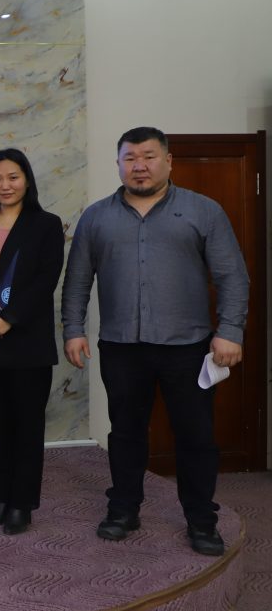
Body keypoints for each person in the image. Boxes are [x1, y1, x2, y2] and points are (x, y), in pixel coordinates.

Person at [62, 127, 248, 556]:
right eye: (130, 158)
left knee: (196, 436)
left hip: (188, 347)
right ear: (119, 164)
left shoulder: (204, 211)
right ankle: (123, 510)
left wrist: (230, 331)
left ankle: (201, 521)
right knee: (126, 433)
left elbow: (232, 276)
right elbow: (76, 281)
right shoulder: (96, 217)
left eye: (148, 156)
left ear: (168, 161)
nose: (139, 166)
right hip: (121, 347)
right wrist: (73, 329)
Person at [0, 149, 64, 536]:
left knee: (27, 426)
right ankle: (1, 498)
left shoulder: (46, 224)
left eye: (13, 177)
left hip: (26, 342)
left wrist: (7, 320)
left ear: (27, 180)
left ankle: (22, 503)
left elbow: (45, 280)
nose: (5, 185)